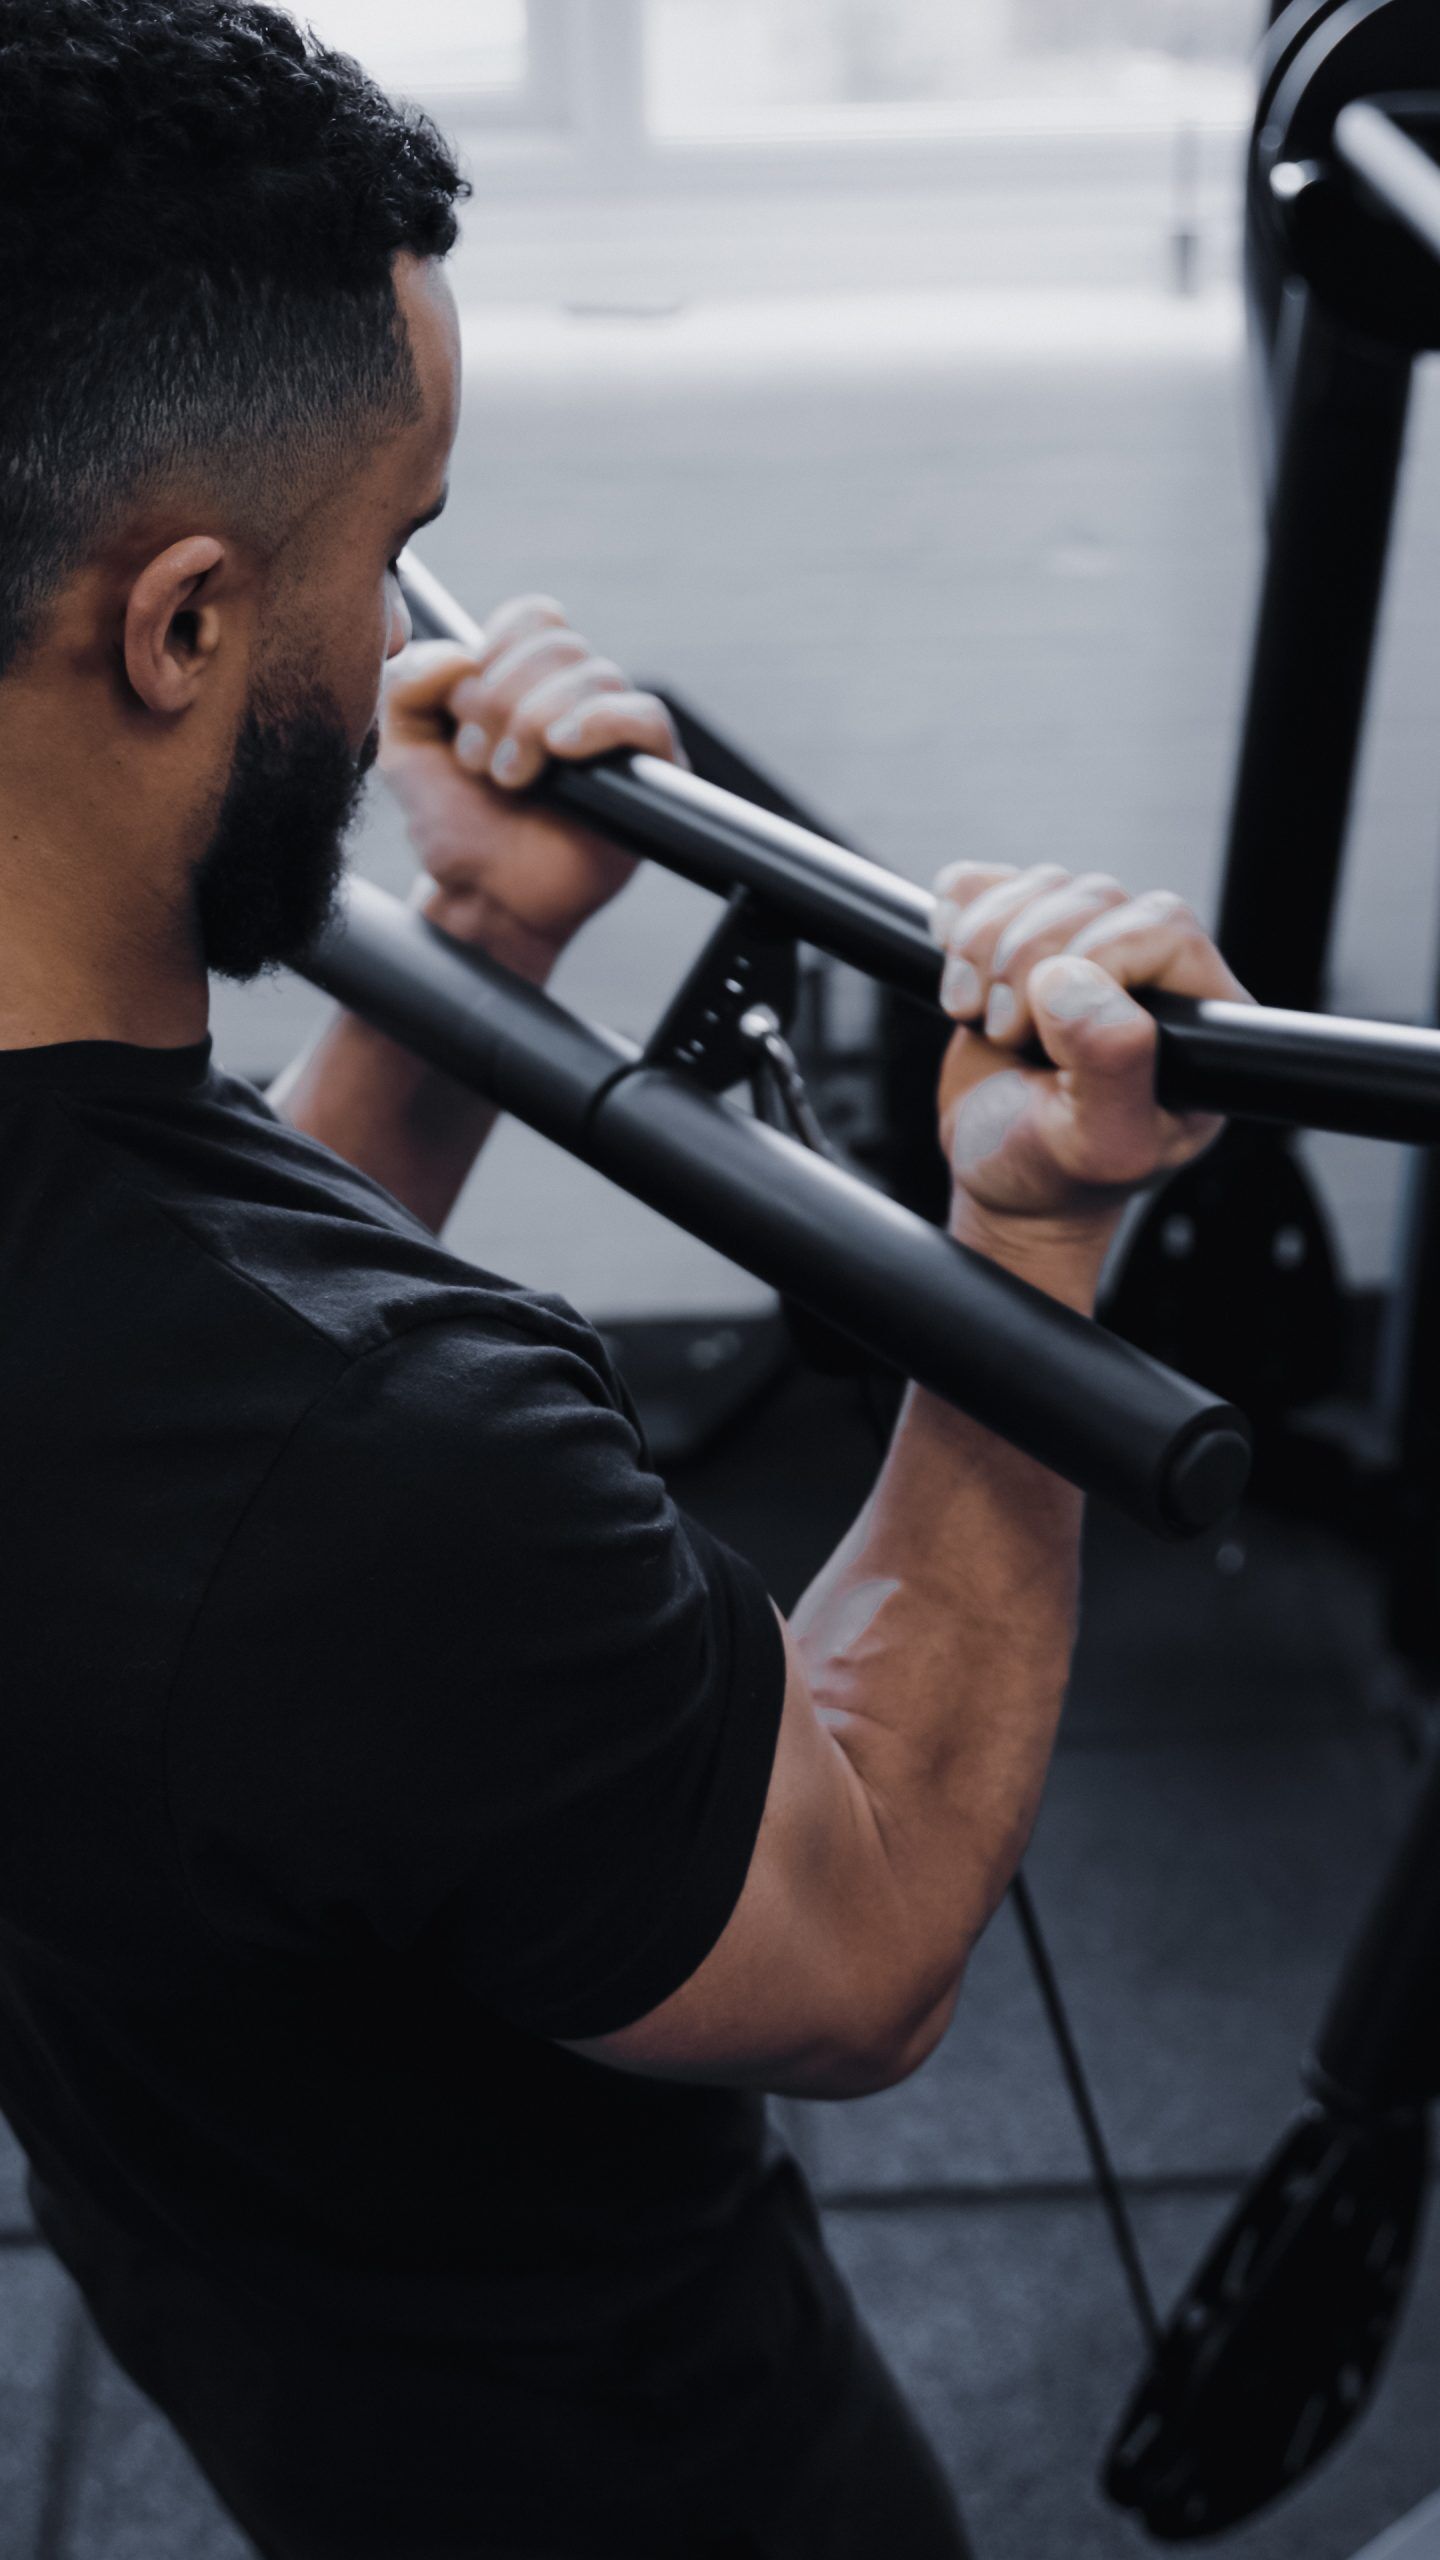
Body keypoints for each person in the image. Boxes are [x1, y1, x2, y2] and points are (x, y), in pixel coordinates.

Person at [0, 5, 1252, 2556]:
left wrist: (473, 940)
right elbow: (857, 1925)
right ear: (184, 625)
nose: (400, 635)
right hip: (611, 2462)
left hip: (225, 2260)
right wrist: (1025, 1238)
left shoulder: (175, 1359)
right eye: (394, 541)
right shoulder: (386, 1464)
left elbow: (178, 1419)